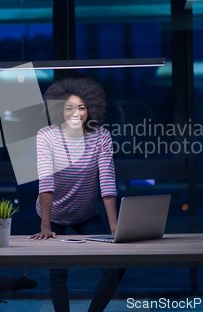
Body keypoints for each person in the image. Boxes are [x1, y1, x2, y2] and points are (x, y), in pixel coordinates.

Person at [29, 74, 125, 312]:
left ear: (90, 108)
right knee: (58, 271)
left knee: (116, 266)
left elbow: (107, 182)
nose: (75, 113)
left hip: (85, 213)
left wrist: (114, 227)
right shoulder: (46, 136)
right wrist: (45, 226)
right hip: (53, 214)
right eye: (68, 107)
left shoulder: (101, 136)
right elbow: (46, 183)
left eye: (81, 107)